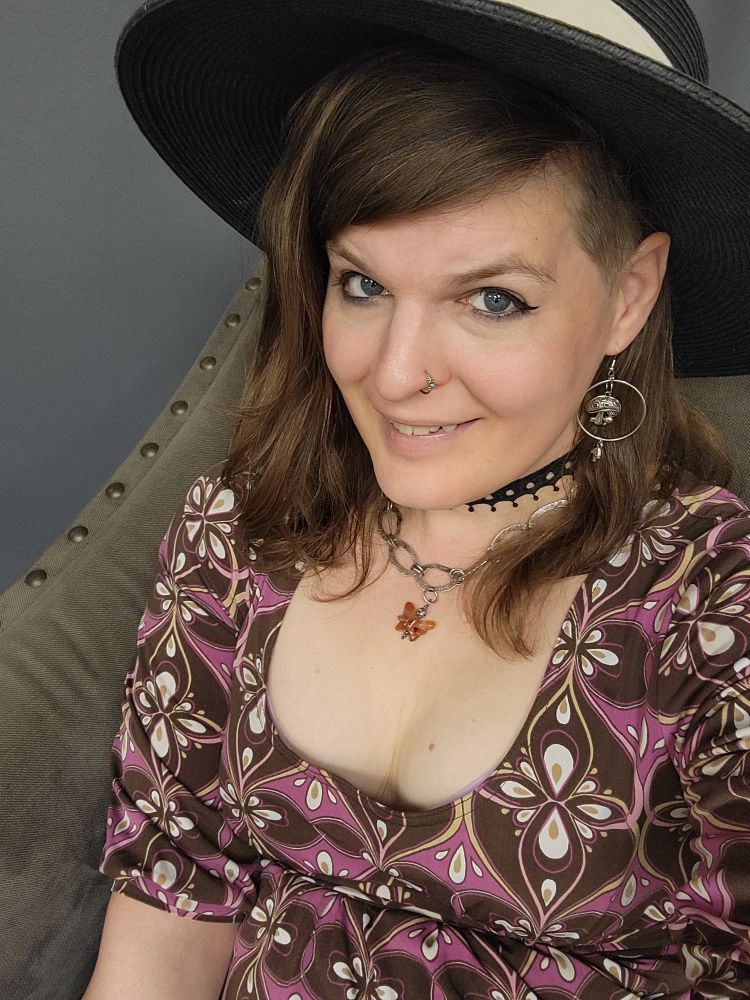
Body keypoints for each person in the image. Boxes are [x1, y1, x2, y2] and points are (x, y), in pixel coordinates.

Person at [84, 1, 750, 997]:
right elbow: (163, 935)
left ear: (629, 294)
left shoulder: (714, 605)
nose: (397, 374)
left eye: (493, 300)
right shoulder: (237, 533)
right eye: (362, 285)